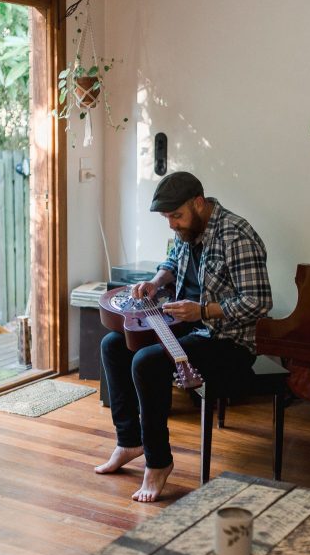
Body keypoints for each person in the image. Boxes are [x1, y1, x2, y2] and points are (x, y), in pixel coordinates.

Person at [97, 171, 273, 502]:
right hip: (184, 329)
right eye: (168, 218)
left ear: (198, 203)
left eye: (176, 216)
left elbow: (259, 301)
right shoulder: (188, 229)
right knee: (114, 345)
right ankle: (129, 441)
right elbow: (173, 264)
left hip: (228, 342)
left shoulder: (237, 236)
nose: (172, 225)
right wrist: (158, 281)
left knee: (147, 362)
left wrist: (202, 311)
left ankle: (159, 463)